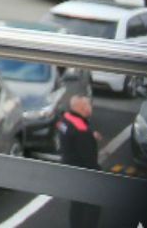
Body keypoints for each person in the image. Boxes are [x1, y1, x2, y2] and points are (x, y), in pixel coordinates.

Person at [55, 95, 99, 228]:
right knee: (93, 206)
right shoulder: (82, 131)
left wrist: (91, 135)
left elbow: (70, 134)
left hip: (68, 166)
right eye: (88, 105)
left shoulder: (65, 119)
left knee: (76, 204)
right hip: (82, 174)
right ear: (82, 108)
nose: (90, 107)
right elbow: (89, 159)